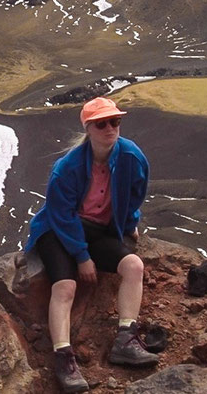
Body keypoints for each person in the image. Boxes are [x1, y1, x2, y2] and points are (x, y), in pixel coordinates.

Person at [24, 96, 158, 393]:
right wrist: (82, 257)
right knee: (65, 286)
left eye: (115, 121)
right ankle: (63, 357)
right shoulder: (68, 167)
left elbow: (136, 193)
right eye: (102, 124)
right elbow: (61, 214)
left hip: (99, 230)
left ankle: (125, 339)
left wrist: (129, 224)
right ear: (89, 128)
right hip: (57, 231)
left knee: (133, 266)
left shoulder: (131, 157)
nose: (110, 128)